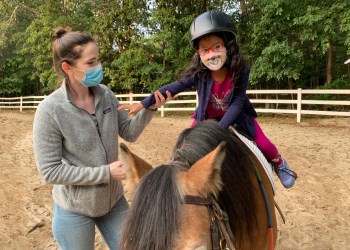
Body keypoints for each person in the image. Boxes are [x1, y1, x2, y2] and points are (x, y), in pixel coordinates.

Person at [118, 10, 297, 189]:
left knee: (265, 144)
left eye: (217, 47)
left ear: (228, 46)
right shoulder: (199, 74)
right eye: (205, 50)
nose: (211, 54)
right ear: (199, 53)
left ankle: (280, 164)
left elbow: (237, 103)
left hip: (237, 116)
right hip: (205, 118)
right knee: (184, 147)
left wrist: (218, 130)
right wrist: (142, 103)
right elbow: (173, 87)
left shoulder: (241, 70)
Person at [32, 27, 171, 250]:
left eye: (98, 60)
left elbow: (129, 131)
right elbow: (50, 171)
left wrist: (150, 109)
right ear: (68, 67)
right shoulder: (50, 111)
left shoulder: (106, 94)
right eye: (90, 63)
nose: (98, 67)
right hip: (74, 209)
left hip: (114, 202)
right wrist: (104, 173)